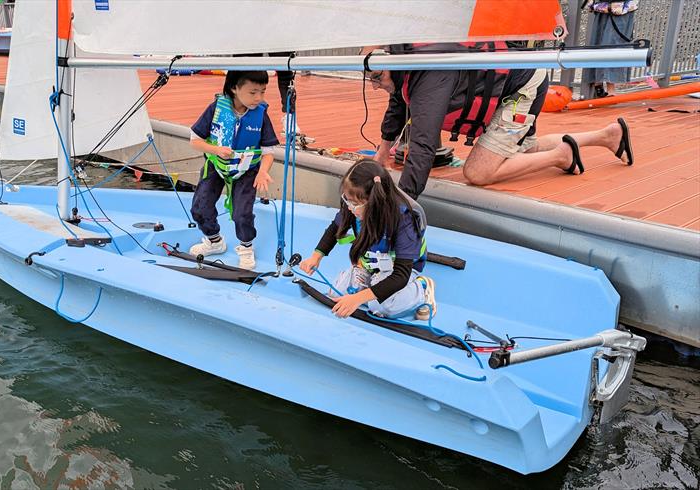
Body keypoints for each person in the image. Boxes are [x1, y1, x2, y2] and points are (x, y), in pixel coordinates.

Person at [365, 47, 634, 191]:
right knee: (524, 149)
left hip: (521, 86)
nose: (375, 85)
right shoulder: (406, 67)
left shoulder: (429, 81)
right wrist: (382, 154)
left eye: (378, 77)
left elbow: (423, 144)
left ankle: (562, 156)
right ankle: (607, 136)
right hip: (515, 77)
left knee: (477, 172)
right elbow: (397, 106)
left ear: (395, 67)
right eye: (370, 78)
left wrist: (404, 200)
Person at [299, 159, 436, 320]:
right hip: (369, 263)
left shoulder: (404, 218)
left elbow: (401, 275)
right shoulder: (353, 204)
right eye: (347, 200)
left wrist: (358, 298)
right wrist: (316, 257)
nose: (350, 207)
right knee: (337, 293)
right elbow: (334, 229)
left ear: (375, 201)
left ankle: (422, 289)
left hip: (397, 269)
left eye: (355, 204)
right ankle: (369, 279)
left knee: (384, 307)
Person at [188, 70, 279, 270]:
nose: (259, 98)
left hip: (247, 170)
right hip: (216, 165)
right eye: (253, 92)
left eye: (263, 92)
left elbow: (269, 151)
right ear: (234, 88)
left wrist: (263, 171)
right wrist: (216, 150)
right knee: (200, 207)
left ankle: (246, 247)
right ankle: (214, 240)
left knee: (242, 213)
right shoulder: (216, 109)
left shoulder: (261, 115)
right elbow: (195, 141)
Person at [583, 0, 638, 97]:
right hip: (613, 7)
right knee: (606, 43)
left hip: (615, 8)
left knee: (608, 43)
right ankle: (603, 84)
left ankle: (603, 84)